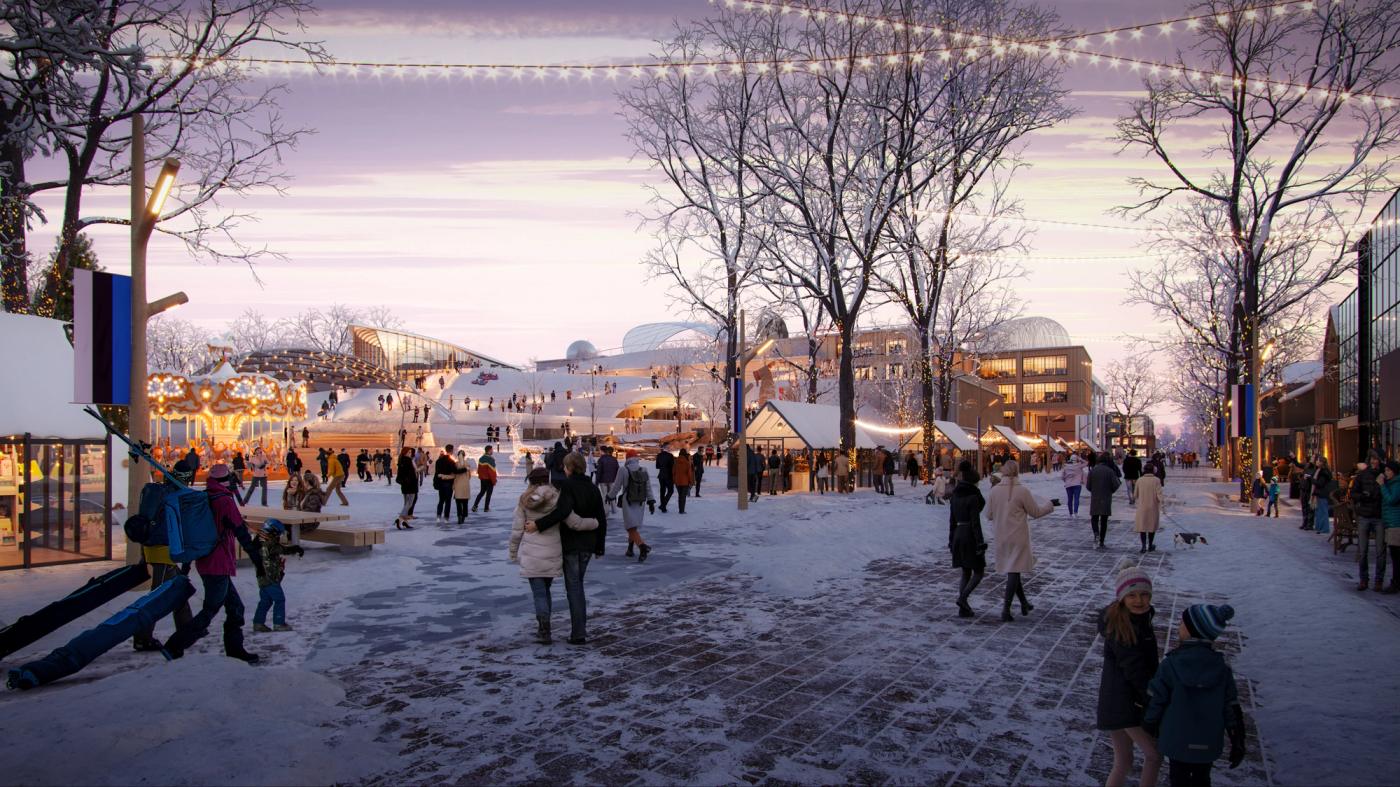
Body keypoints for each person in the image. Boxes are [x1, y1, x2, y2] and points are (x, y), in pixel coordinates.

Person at [161, 464, 263, 663]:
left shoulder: (205, 497)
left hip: (207, 562)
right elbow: (240, 531)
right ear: (226, 480)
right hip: (219, 563)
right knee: (211, 609)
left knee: (235, 608)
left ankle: (235, 651)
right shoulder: (224, 501)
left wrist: (187, 566)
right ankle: (174, 646)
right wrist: (257, 560)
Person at [1143, 604, 1247, 787]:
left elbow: (1157, 697)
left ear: (1192, 630)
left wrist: (1149, 723)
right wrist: (1237, 738)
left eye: (1182, 623)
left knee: (1178, 778)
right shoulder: (1222, 669)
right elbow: (1231, 706)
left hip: (1176, 739)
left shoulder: (1171, 664)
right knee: (1202, 779)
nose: (1178, 626)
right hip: (1208, 741)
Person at [526, 452, 608, 645]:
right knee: (577, 585)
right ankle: (579, 631)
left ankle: (578, 633)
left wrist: (538, 525)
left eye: (565, 466)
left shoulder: (568, 486)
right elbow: (601, 518)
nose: (563, 469)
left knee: (574, 588)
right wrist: (600, 546)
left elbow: (562, 512)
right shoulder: (592, 487)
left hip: (571, 543)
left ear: (570, 467)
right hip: (588, 544)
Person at [1097, 564, 1162, 787]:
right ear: (1122, 598)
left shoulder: (1137, 619)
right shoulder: (1123, 627)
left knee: (1124, 760)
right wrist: (1152, 698)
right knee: (1154, 755)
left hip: (1118, 701)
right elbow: (1135, 670)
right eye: (1132, 595)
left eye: (1144, 594)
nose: (1139, 600)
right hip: (1125, 703)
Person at [509, 467, 585, 644]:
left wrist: (513, 551)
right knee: (545, 590)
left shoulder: (524, 500)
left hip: (531, 554)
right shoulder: (557, 498)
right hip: (552, 552)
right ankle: (545, 627)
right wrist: (593, 523)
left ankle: (544, 628)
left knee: (539, 593)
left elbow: (517, 530)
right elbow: (573, 521)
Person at [131, 459, 196, 652]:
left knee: (179, 591)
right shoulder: (174, 495)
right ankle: (142, 637)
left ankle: (188, 630)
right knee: (157, 597)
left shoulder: (161, 491)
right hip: (163, 552)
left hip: (157, 549)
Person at [985, 460, 1056, 623]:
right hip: (1018, 536)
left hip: (1001, 536)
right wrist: (1050, 505)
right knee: (1014, 570)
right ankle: (1006, 609)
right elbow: (1035, 512)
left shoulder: (995, 491)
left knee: (1013, 569)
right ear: (1017, 472)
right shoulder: (1022, 491)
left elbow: (988, 514)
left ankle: (1024, 603)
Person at [948, 461, 987, 618]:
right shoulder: (973, 497)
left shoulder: (955, 496)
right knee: (978, 571)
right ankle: (962, 599)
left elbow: (951, 521)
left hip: (958, 533)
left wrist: (951, 540)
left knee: (965, 572)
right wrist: (980, 543)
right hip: (969, 535)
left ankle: (963, 609)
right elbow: (976, 523)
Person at [251, 519, 303, 633]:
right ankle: (279, 623)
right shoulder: (268, 543)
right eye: (278, 533)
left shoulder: (260, 540)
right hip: (270, 577)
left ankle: (258, 623)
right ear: (273, 531)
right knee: (279, 599)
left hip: (262, 577)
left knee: (265, 601)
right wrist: (296, 548)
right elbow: (282, 549)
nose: (279, 536)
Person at [1352, 450, 1386, 591]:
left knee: (1380, 551)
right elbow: (1354, 493)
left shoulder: (1385, 474)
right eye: (1372, 459)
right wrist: (1362, 497)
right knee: (1363, 550)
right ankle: (1363, 579)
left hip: (1379, 516)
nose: (1374, 461)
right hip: (1365, 515)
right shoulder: (1362, 475)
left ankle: (1379, 580)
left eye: (1376, 459)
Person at [1088, 452, 1123, 549]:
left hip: (1095, 497)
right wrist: (1110, 491)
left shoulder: (1093, 470)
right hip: (1106, 497)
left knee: (1094, 518)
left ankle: (1096, 533)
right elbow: (1116, 484)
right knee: (1104, 520)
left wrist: (1094, 490)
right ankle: (1102, 541)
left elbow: (1088, 486)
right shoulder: (1110, 471)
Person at [1381, 460, 1400, 594]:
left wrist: (1382, 485)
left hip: (1396, 523)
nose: (1386, 473)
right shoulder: (1392, 483)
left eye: (1388, 470)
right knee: (1394, 554)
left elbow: (1391, 499)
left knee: (1396, 555)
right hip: (1390, 522)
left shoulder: (1397, 484)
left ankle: (1396, 583)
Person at [1135, 471, 1164, 553]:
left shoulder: (1140, 480)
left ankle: (1143, 546)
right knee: (1152, 527)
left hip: (1142, 507)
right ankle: (1150, 545)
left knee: (1142, 527)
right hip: (1153, 507)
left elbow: (1135, 494)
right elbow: (1159, 495)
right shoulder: (1156, 480)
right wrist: (1162, 505)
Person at [393, 447, 418, 530]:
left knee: (406, 504)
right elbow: (411, 473)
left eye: (410, 452)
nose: (410, 453)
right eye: (408, 452)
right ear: (405, 452)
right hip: (410, 485)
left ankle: (405, 522)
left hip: (404, 485)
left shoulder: (401, 460)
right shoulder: (408, 461)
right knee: (409, 503)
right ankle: (400, 519)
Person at [433, 445, 458, 522]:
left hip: (441, 483)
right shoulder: (451, 462)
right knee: (448, 501)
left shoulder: (439, 461)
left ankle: (438, 516)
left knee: (441, 500)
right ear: (451, 450)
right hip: (448, 483)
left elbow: (437, 472)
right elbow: (455, 471)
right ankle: (446, 517)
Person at [1312, 456, 1334, 534]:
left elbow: (1320, 483)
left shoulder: (1324, 472)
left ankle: (1324, 528)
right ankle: (1319, 527)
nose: (1316, 462)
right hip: (1320, 493)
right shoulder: (1319, 470)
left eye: (1318, 461)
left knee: (1323, 511)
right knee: (1319, 511)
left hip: (1322, 493)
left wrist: (1311, 479)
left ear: (1321, 462)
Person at [452, 450, 475, 524]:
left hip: (458, 484)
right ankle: (464, 516)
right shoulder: (467, 464)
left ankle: (459, 516)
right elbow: (469, 476)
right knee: (465, 502)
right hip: (465, 485)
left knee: (458, 502)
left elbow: (454, 474)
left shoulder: (455, 464)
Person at [1061, 452, 1087, 517]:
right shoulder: (1079, 466)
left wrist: (1066, 480)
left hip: (1068, 485)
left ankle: (1070, 513)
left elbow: (1062, 477)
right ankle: (1076, 512)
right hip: (1077, 484)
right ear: (1076, 459)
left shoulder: (1065, 467)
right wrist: (1080, 458)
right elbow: (1086, 463)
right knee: (1076, 498)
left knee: (1069, 499)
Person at [595, 446, 619, 513]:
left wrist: (597, 482)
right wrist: (616, 479)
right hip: (612, 480)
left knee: (605, 495)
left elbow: (599, 472)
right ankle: (614, 509)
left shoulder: (601, 459)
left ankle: (606, 510)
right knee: (612, 494)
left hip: (603, 480)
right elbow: (617, 470)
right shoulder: (614, 459)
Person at [673, 448, 694, 514]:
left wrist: (674, 480)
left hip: (677, 481)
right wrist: (691, 481)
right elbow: (689, 473)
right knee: (683, 497)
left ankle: (680, 509)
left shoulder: (676, 462)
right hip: (685, 482)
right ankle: (681, 510)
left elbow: (673, 472)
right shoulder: (687, 462)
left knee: (680, 496)